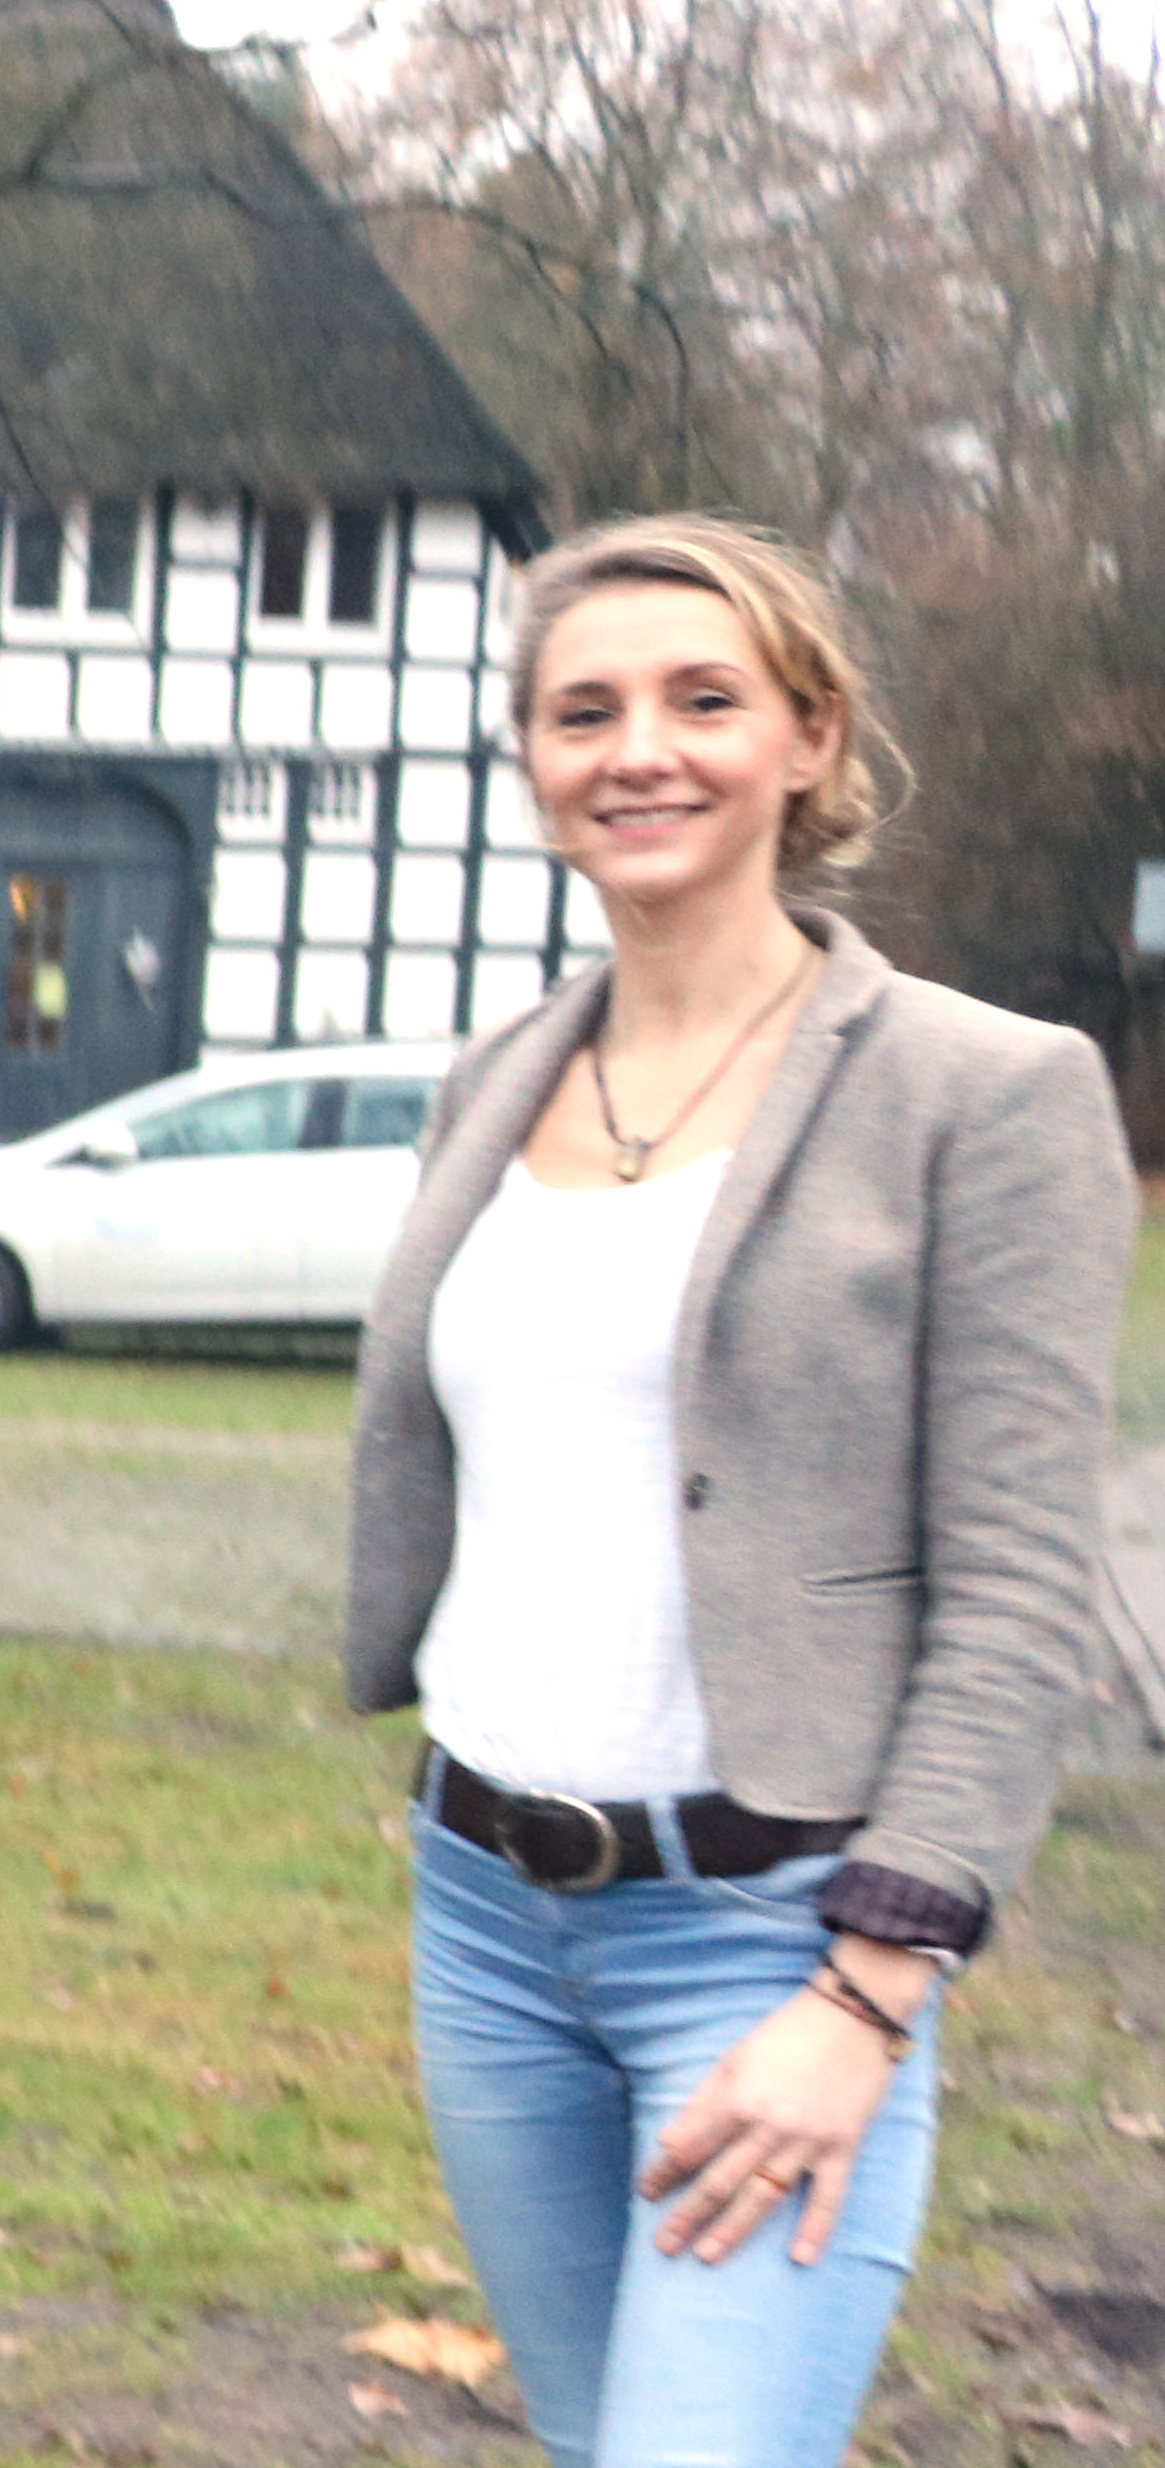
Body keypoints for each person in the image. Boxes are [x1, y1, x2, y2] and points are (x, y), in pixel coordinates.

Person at [347, 514, 1135, 2467]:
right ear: (531, 760)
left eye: (702, 700)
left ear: (809, 737)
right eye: (582, 711)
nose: (640, 750)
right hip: (484, 1914)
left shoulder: (986, 1091)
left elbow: (1022, 1583)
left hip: (772, 1935)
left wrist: (867, 1992)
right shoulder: (491, 1079)